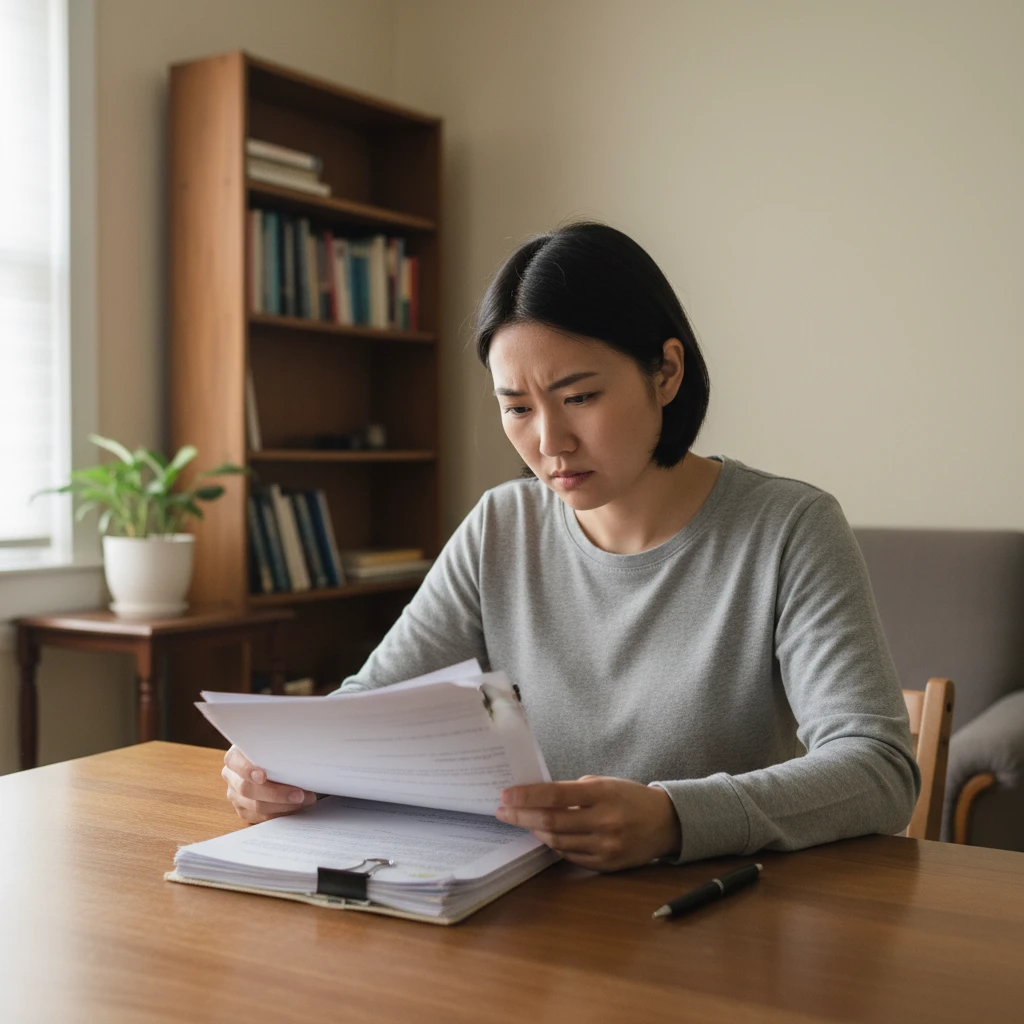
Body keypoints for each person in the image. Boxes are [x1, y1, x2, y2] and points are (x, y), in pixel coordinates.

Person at [222, 221, 920, 871]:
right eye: (518, 409)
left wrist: (677, 818)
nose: (549, 443)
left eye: (579, 396)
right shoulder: (501, 526)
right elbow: (362, 709)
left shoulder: (788, 527)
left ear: (666, 372)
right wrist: (280, 769)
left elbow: (878, 768)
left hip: (711, 921)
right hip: (520, 915)